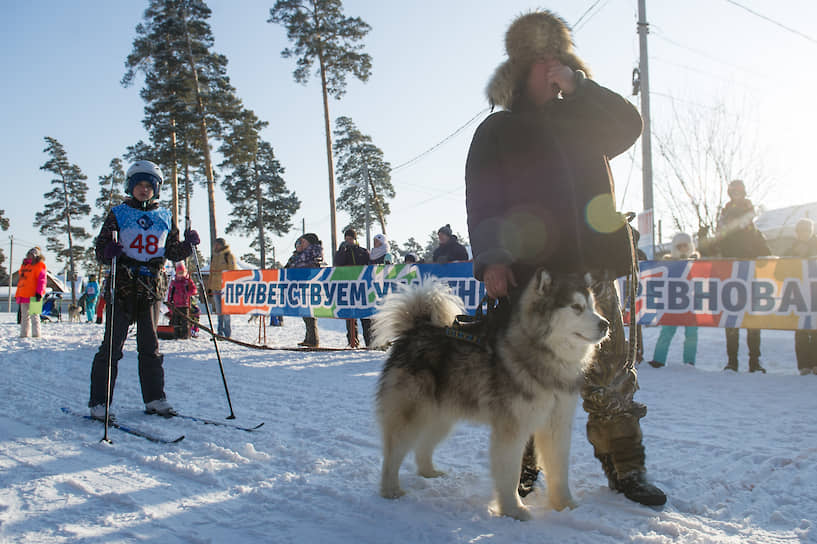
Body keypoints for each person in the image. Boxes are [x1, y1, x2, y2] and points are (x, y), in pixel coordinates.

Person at [464, 10, 666, 506]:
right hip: (536, 277)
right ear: (521, 67)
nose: (552, 67)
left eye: (560, 58)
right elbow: (483, 199)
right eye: (543, 60)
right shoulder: (499, 130)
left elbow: (629, 125)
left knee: (612, 368)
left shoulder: (584, 115)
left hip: (594, 263)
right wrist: (492, 258)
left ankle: (626, 468)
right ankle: (525, 466)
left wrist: (581, 87)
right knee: (530, 373)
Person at [88, 160, 199, 420]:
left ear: (156, 189)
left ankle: (155, 399)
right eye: (139, 184)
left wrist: (188, 245)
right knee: (112, 347)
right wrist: (108, 251)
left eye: (149, 186)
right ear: (130, 186)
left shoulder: (165, 216)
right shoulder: (119, 212)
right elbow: (101, 251)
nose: (143, 189)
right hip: (123, 286)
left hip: (151, 288)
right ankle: (99, 403)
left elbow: (171, 252)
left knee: (150, 347)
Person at [716, 179, 771, 373]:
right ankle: (732, 361)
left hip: (750, 277)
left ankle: (754, 362)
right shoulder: (724, 220)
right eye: (734, 193)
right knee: (732, 319)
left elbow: (765, 251)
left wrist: (759, 253)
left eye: (739, 192)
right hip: (731, 277)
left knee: (752, 320)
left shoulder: (753, 229)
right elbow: (718, 246)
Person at [647, 233, 699, 368]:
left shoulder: (697, 263)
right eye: (679, 246)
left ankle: (689, 361)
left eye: (685, 245)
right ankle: (658, 359)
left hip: (690, 303)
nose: (682, 248)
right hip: (672, 303)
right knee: (667, 331)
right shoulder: (667, 264)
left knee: (692, 334)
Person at [786, 218, 817, 375]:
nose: (804, 234)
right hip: (798, 295)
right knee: (801, 331)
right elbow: (779, 270)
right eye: (801, 231)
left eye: (806, 230)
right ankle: (803, 365)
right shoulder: (792, 247)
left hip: (815, 294)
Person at [285, 233, 325, 347]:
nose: (300, 244)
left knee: (309, 313)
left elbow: (312, 267)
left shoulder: (312, 253)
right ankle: (309, 338)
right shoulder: (299, 255)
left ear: (309, 242)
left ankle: (313, 339)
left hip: (309, 286)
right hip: (299, 286)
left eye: (302, 242)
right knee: (305, 313)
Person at [335, 228, 370, 348]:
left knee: (366, 317)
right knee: (350, 317)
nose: (348, 241)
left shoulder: (363, 252)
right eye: (346, 239)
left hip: (362, 287)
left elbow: (369, 267)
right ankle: (352, 342)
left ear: (355, 239)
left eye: (350, 239)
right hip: (348, 287)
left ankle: (370, 342)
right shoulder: (343, 251)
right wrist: (341, 251)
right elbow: (337, 264)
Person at [207, 237, 238, 338]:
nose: (215, 246)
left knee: (226, 312)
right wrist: (209, 286)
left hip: (226, 288)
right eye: (214, 244)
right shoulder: (214, 257)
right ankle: (219, 333)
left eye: (217, 244)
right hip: (216, 287)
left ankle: (227, 333)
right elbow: (211, 272)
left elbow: (233, 271)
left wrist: (232, 285)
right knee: (219, 312)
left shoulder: (228, 256)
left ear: (222, 245)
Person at [15, 246, 47, 338]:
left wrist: (39, 293)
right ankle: (23, 334)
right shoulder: (24, 266)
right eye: (29, 254)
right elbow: (21, 281)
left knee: (35, 316)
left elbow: (42, 281)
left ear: (36, 256)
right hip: (23, 294)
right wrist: (18, 294)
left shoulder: (40, 266)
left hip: (35, 295)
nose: (29, 256)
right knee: (24, 317)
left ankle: (36, 335)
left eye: (32, 255)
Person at [167, 261, 197, 339]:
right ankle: (176, 335)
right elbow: (170, 294)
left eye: (182, 272)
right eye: (179, 272)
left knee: (185, 321)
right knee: (176, 321)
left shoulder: (187, 281)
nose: (181, 274)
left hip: (185, 305)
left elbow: (194, 289)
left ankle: (185, 335)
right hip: (176, 305)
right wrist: (169, 304)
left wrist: (189, 293)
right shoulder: (174, 283)